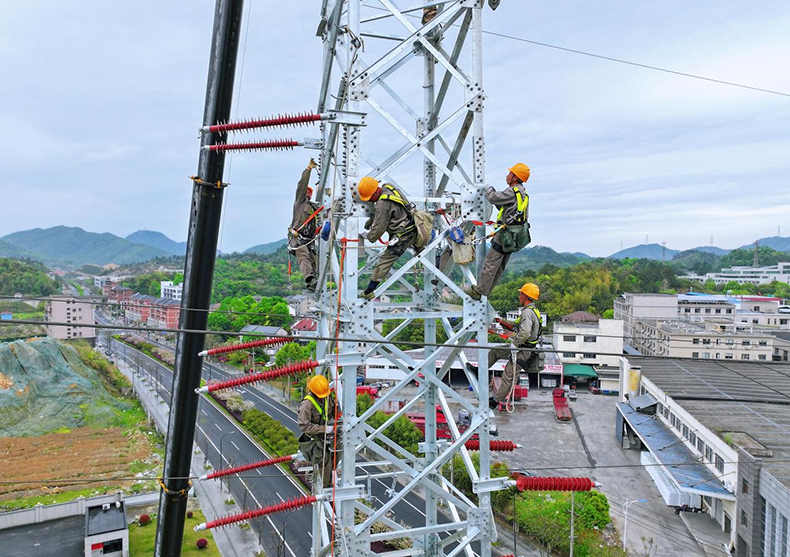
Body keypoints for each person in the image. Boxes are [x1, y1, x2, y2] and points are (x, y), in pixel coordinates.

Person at [465, 163, 531, 301]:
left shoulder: (513, 191)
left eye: (510, 174)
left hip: (505, 235)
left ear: (515, 177)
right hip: (514, 236)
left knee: (490, 264)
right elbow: (502, 204)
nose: (507, 176)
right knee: (498, 267)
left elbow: (494, 198)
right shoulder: (522, 193)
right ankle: (486, 292)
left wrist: (488, 189)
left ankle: (480, 291)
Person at [357, 176, 419, 300]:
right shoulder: (389, 187)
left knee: (385, 260)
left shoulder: (381, 205)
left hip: (405, 235)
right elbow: (392, 209)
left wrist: (367, 235)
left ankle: (369, 291)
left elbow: (375, 234)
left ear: (375, 192)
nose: (371, 201)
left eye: (371, 198)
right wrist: (372, 219)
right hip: (415, 224)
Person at [485, 282, 542, 409]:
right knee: (496, 351)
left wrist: (515, 344)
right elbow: (516, 324)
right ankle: (479, 371)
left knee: (508, 376)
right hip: (522, 348)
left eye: (521, 294)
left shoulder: (528, 313)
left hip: (523, 350)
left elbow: (525, 332)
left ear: (525, 296)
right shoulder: (532, 311)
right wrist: (502, 321)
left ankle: (495, 401)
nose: (519, 296)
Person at [297, 374, 337, 489]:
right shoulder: (307, 404)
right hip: (314, 440)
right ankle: (326, 488)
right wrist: (324, 429)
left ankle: (331, 479)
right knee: (325, 462)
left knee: (337, 454)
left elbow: (334, 409)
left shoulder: (327, 396)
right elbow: (304, 426)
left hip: (327, 435)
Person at [288, 159, 321, 292]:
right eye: (305, 191)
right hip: (299, 238)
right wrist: (308, 169)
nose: (306, 192)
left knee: (315, 261)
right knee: (304, 258)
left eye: (309, 192)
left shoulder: (313, 207)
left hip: (309, 239)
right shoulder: (300, 203)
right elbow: (302, 185)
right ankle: (310, 280)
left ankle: (314, 284)